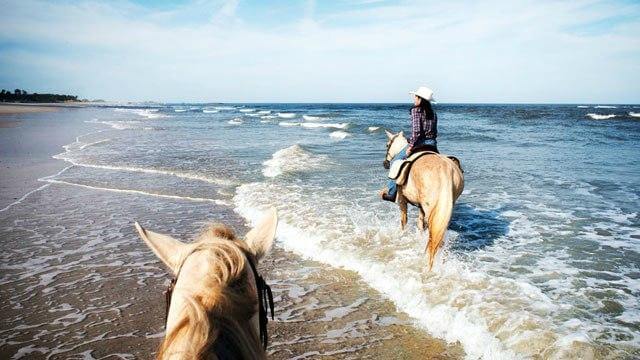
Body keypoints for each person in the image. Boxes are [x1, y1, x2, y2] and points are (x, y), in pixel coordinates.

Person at [380, 86, 439, 202]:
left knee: (396, 161)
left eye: (415, 97)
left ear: (420, 99)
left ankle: (391, 193)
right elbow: (435, 132)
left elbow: (417, 132)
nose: (414, 99)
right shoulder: (433, 113)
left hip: (419, 144)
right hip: (432, 145)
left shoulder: (416, 111)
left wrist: (411, 146)